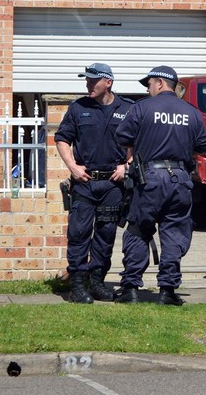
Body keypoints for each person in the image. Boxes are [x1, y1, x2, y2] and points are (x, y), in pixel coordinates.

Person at [114, 66, 206, 305]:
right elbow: (202, 145)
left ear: (159, 83)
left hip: (150, 180)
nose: (148, 89)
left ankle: (131, 287)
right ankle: (167, 290)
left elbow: (123, 137)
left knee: (138, 230)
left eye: (149, 85)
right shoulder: (192, 112)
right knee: (174, 233)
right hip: (180, 180)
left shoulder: (141, 108)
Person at [55, 63, 133, 303]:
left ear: (108, 82)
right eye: (87, 80)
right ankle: (78, 286)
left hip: (112, 184)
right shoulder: (78, 107)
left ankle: (97, 282)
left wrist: (127, 166)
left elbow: (136, 142)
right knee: (78, 233)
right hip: (85, 182)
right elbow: (62, 139)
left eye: (93, 80)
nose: (88, 84)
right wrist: (72, 167)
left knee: (106, 234)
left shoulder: (128, 109)